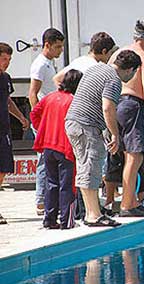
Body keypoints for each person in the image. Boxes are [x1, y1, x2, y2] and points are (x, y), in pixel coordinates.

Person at [65, 49, 141, 227]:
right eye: (135, 72)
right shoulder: (114, 80)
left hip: (74, 121)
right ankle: (93, 215)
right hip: (86, 125)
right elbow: (108, 108)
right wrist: (114, 133)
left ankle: (92, 212)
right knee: (91, 167)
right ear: (130, 69)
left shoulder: (96, 68)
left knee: (86, 167)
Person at [107, 19, 144, 217]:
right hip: (133, 105)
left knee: (121, 156)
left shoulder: (117, 53)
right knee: (135, 155)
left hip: (114, 104)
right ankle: (127, 204)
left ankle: (123, 200)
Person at [30, 69, 83, 229]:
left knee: (51, 183)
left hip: (48, 146)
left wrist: (43, 128)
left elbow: (34, 114)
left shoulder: (49, 97)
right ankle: (67, 220)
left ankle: (49, 219)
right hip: (66, 147)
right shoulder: (74, 101)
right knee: (67, 185)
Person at [28, 28, 65, 215]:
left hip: (51, 118)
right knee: (44, 159)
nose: (60, 51)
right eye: (57, 47)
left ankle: (48, 198)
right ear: (47, 45)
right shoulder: (40, 65)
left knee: (50, 159)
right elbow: (33, 93)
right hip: (44, 120)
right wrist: (39, 121)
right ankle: (41, 201)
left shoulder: (50, 62)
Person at [0, 42, 29, 225]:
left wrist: (21, 118)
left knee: (3, 169)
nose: (7, 62)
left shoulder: (6, 78)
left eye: (9, 59)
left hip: (4, 130)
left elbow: (8, 100)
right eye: (3, 58)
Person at [53, 32, 117, 86]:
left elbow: (56, 79)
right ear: (104, 51)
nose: (111, 56)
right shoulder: (96, 68)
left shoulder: (79, 60)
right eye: (110, 52)